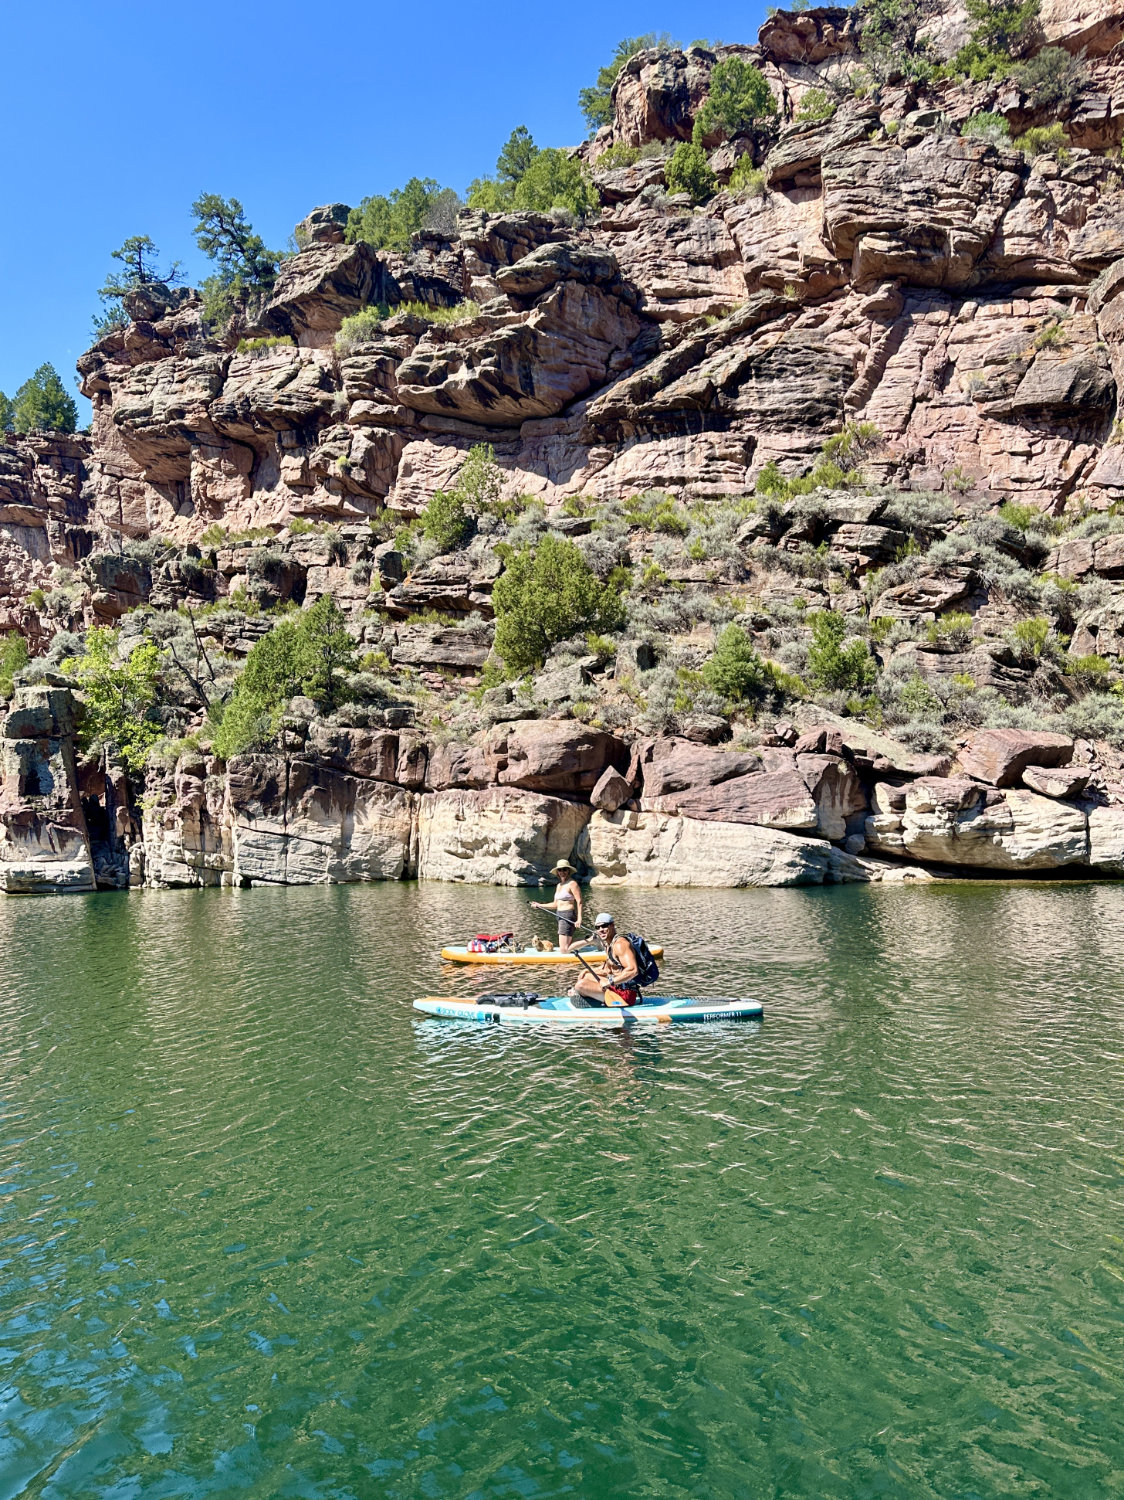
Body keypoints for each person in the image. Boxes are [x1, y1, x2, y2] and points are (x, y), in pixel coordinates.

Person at [570, 914, 642, 1007]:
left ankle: (599, 1000)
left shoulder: (620, 944)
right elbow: (607, 970)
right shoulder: (610, 944)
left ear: (612, 925)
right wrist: (587, 970)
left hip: (626, 995)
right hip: (617, 987)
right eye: (597, 927)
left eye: (604, 926)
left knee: (580, 985)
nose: (601, 930)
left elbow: (633, 970)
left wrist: (609, 982)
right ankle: (597, 997)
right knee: (587, 976)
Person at [531, 860, 584, 952]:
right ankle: (589, 939)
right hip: (559, 915)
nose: (562, 872)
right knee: (566, 945)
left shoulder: (572, 884)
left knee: (564, 950)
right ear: (557, 872)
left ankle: (592, 940)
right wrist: (539, 905)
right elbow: (555, 904)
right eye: (560, 870)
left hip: (568, 915)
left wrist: (579, 919)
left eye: (565, 870)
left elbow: (579, 901)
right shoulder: (559, 885)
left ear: (568, 871)